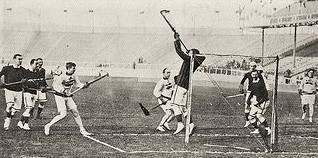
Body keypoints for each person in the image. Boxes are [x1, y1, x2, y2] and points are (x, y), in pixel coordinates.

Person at [44, 62, 92, 136]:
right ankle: (48, 126)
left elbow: (78, 84)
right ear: (69, 68)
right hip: (59, 96)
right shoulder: (62, 76)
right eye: (73, 68)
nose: (74, 69)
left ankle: (82, 129)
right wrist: (64, 91)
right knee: (63, 114)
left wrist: (84, 85)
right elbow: (56, 86)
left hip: (68, 96)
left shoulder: (74, 75)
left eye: (74, 68)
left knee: (75, 112)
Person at [171, 33, 206, 135]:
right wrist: (190, 53)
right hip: (185, 86)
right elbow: (201, 57)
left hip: (180, 85)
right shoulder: (194, 61)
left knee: (174, 105)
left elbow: (178, 51)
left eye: (190, 52)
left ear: (193, 54)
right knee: (183, 107)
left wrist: (177, 40)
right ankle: (190, 124)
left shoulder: (189, 60)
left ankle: (180, 124)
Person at [0, 54, 27, 130]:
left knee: (16, 110)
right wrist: (1, 83)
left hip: (18, 91)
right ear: (14, 59)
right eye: (19, 59)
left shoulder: (23, 70)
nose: (20, 61)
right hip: (9, 90)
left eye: (21, 59)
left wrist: (24, 81)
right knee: (10, 104)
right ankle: (7, 121)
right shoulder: (7, 68)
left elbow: (26, 80)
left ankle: (8, 117)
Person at [246, 70, 271, 153]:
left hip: (263, 101)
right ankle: (257, 128)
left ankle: (267, 128)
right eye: (252, 74)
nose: (254, 76)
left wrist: (258, 103)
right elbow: (252, 92)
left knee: (259, 115)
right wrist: (248, 100)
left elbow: (264, 96)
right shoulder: (253, 83)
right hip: (257, 102)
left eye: (255, 74)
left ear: (258, 75)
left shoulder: (261, 83)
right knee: (250, 117)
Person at [17, 59, 40, 130]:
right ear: (31, 64)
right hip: (28, 93)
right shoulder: (26, 72)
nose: (37, 65)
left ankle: (20, 122)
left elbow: (38, 83)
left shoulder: (37, 73)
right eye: (36, 64)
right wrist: (25, 85)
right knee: (29, 108)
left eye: (38, 64)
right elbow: (22, 82)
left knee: (29, 109)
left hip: (34, 92)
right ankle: (26, 124)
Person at [239, 61, 257, 127]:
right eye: (251, 66)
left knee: (255, 107)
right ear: (249, 67)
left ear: (255, 67)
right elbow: (242, 82)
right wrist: (241, 89)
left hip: (255, 93)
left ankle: (255, 122)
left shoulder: (258, 74)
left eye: (253, 66)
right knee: (247, 106)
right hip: (249, 92)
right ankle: (247, 121)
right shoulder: (247, 74)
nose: (252, 67)